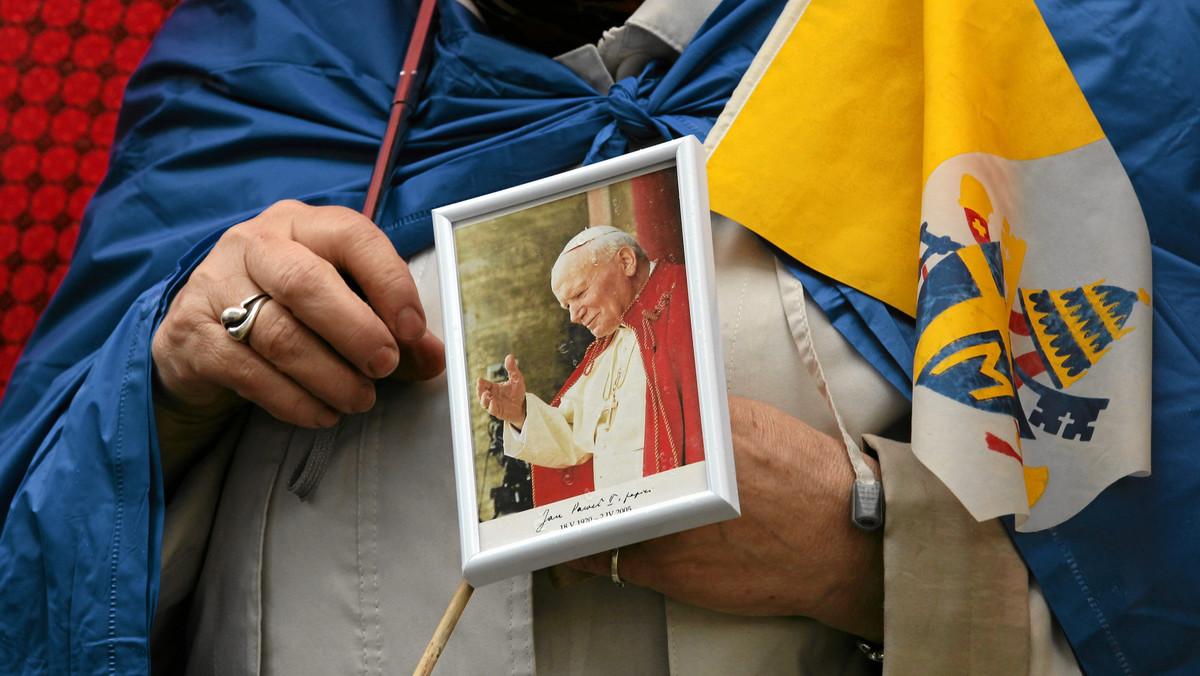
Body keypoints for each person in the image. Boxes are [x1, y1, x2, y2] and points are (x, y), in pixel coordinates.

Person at [0, 0, 1095, 673]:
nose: (581, 317)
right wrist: (167, 389)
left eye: (589, 302)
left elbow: (1154, 554)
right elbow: (39, 561)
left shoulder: (1008, 55)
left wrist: (874, 549)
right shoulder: (262, 68)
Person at [476, 226, 702, 505]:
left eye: (580, 293)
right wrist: (520, 414)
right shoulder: (606, 348)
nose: (574, 316)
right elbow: (574, 440)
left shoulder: (689, 294)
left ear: (626, 262)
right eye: (566, 306)